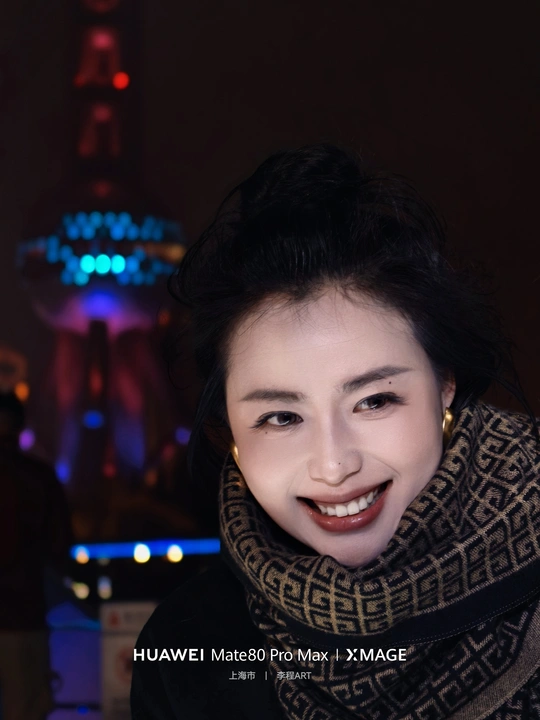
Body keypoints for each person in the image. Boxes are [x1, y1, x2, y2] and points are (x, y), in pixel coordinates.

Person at [130, 144, 540, 719]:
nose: (333, 465)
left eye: (374, 401)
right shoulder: (190, 649)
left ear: (445, 385)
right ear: (231, 431)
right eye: (281, 418)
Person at [0, 391, 73, 719]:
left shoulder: (34, 477)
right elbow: (60, 544)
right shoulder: (37, 477)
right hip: (26, 612)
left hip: (22, 613)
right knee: (30, 704)